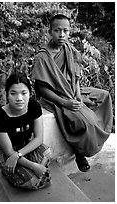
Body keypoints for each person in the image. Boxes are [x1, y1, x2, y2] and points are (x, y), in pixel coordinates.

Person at [31, 9, 113, 172]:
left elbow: (74, 76)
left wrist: (77, 96)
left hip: (71, 91)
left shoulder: (68, 49)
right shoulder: (43, 57)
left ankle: (103, 128)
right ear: (50, 32)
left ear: (69, 32)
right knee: (84, 121)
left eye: (65, 31)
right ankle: (79, 153)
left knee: (104, 96)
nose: (61, 34)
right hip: (53, 97)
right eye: (57, 30)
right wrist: (66, 102)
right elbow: (43, 89)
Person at [0, 72, 51, 189]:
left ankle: (21, 169)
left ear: (29, 93)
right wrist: (34, 166)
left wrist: (18, 155)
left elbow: (39, 139)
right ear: (7, 94)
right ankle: (8, 172)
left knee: (47, 152)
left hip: (24, 146)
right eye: (13, 93)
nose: (19, 98)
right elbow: (8, 151)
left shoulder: (34, 106)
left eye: (24, 93)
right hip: (5, 151)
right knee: (32, 181)